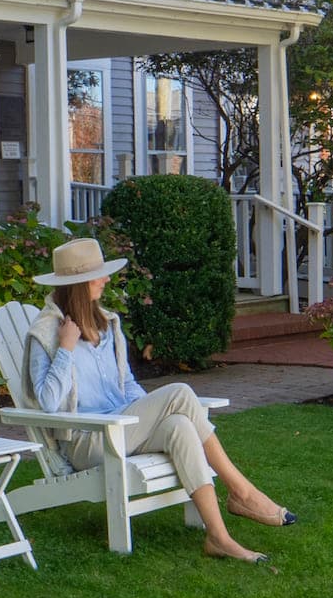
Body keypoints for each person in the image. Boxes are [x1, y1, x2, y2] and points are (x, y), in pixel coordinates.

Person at [25, 238, 296, 563]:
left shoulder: (106, 322)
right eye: (99, 275)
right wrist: (66, 349)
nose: (106, 279)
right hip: (88, 439)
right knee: (180, 392)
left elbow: (127, 389)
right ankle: (241, 492)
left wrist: (152, 411)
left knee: (179, 424)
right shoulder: (46, 333)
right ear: (79, 285)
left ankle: (218, 537)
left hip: (122, 426)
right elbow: (47, 403)